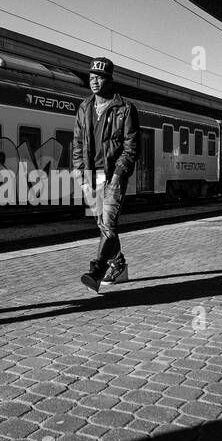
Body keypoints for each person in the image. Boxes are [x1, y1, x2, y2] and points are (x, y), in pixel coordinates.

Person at [72, 56, 139, 292]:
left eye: (99, 77)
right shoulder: (84, 107)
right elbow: (78, 144)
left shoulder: (125, 109)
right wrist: (80, 172)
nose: (94, 82)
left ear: (109, 80)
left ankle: (96, 271)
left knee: (108, 222)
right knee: (103, 224)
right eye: (91, 77)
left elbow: (131, 147)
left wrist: (120, 172)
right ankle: (118, 265)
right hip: (92, 176)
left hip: (113, 176)